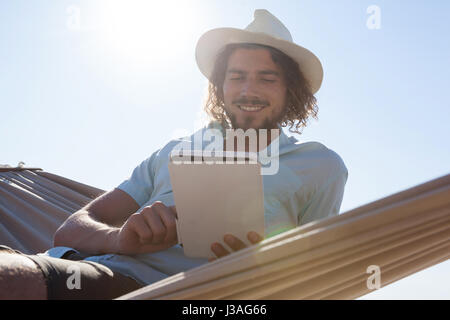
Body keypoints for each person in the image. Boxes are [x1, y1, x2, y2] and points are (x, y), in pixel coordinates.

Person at [0, 9, 348, 299]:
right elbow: (70, 229)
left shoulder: (320, 167)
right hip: (90, 268)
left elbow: (319, 278)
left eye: (266, 78)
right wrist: (120, 238)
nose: (247, 90)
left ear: (292, 91)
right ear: (221, 86)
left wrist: (259, 270)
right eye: (236, 76)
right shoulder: (174, 151)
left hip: (179, 295)